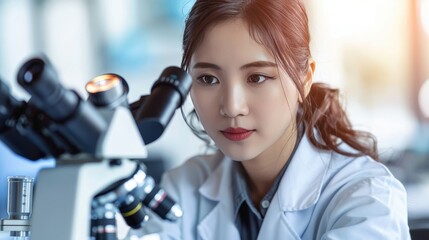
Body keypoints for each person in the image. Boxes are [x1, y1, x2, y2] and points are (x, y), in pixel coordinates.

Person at [141, 0, 411, 239]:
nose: (232, 107)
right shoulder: (183, 187)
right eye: (208, 79)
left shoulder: (367, 200)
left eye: (257, 77)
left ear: (305, 79)